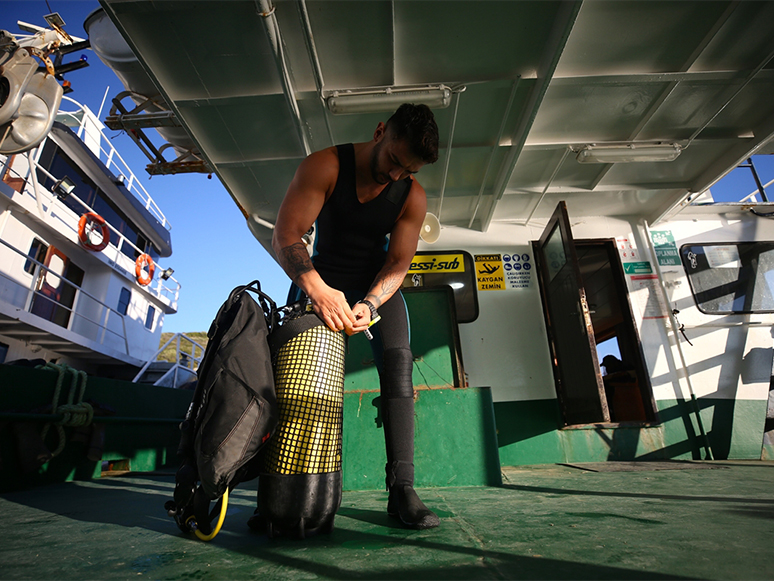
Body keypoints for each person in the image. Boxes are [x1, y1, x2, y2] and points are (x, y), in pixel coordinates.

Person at [271, 103, 440, 530]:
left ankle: (402, 489)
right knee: (290, 374)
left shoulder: (412, 195)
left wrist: (370, 303)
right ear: (381, 131)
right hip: (319, 276)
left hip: (373, 284)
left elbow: (399, 262)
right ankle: (278, 489)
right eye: (394, 162)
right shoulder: (325, 166)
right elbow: (287, 235)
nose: (397, 175)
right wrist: (319, 290)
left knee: (399, 363)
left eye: (409, 171)